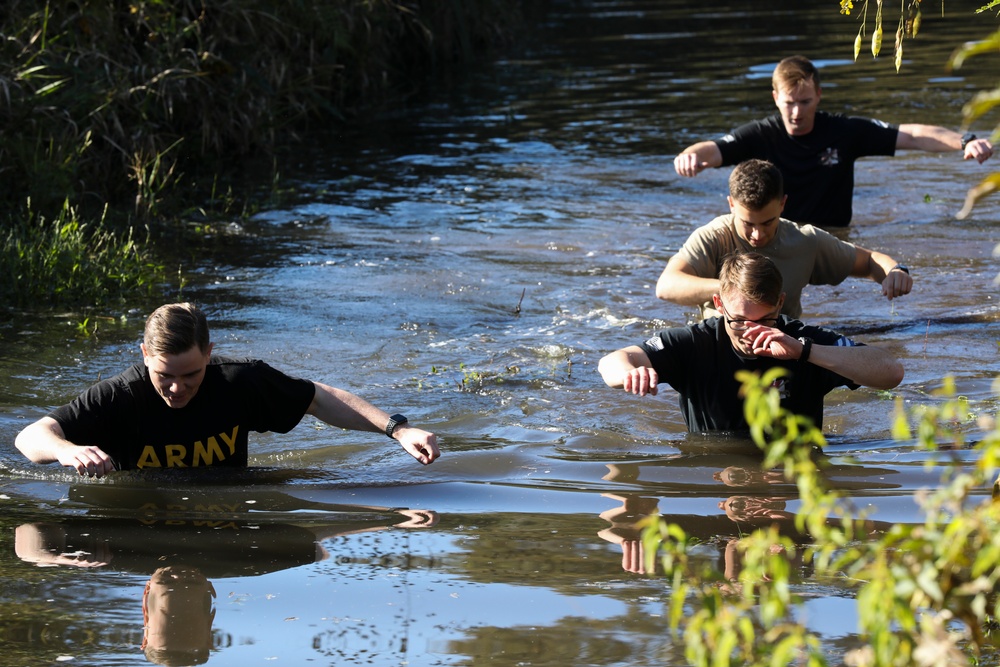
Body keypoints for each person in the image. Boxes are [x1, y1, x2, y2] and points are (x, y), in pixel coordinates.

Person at [14, 302, 440, 477]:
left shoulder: (240, 380)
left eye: (192, 374)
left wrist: (398, 430)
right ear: (145, 354)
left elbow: (317, 398)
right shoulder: (118, 396)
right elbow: (29, 437)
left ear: (209, 354)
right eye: (164, 375)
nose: (177, 388)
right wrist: (67, 450)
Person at [673, 55, 995, 227]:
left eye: (805, 102)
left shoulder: (843, 132)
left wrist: (965, 140)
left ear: (819, 96)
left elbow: (911, 134)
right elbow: (713, 149)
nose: (797, 112)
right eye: (789, 103)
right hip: (777, 235)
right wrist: (689, 155)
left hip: (833, 237)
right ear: (775, 98)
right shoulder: (760, 134)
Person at [598, 252, 904, 432]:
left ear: (781, 303)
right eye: (740, 321)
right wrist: (631, 373)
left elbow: (891, 372)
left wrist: (805, 352)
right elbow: (611, 361)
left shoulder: (803, 341)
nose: (752, 332)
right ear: (718, 303)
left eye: (766, 319)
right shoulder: (695, 343)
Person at [657, 158, 913, 319]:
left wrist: (895, 271)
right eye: (748, 224)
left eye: (768, 222)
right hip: (722, 341)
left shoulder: (805, 241)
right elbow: (666, 286)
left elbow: (868, 261)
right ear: (731, 204)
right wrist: (730, 290)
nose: (757, 235)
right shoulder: (713, 237)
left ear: (783, 204)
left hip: (784, 342)